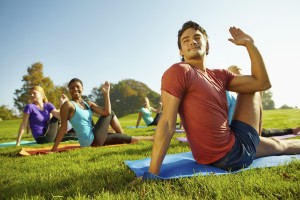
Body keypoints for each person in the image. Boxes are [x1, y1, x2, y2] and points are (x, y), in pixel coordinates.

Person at [148, 20, 300, 176]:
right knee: (252, 89)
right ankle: (255, 138)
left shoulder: (219, 75)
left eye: (197, 37)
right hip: (230, 156)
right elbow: (166, 123)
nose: (192, 42)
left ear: (207, 45)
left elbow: (263, 82)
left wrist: (250, 44)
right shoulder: (179, 71)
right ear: (181, 51)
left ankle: (255, 138)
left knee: (282, 146)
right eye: (185, 40)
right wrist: (152, 173)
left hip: (234, 142)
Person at [51, 78, 153, 151]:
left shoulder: (88, 103)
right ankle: (123, 134)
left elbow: (105, 111)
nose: (75, 90)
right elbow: (63, 128)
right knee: (111, 114)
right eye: (72, 88)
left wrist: (106, 93)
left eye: (77, 87)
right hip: (90, 141)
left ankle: (153, 138)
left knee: (124, 139)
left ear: (82, 88)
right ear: (69, 90)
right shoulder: (68, 105)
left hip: (95, 139)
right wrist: (54, 149)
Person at [226, 65, 300, 137]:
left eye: (242, 77)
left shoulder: (246, 95)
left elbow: (258, 124)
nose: (242, 80)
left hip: (251, 130)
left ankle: (292, 131)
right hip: (237, 134)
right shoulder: (228, 96)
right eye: (238, 77)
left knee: (264, 131)